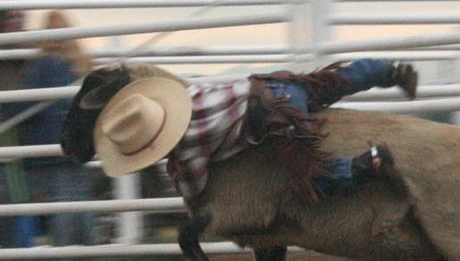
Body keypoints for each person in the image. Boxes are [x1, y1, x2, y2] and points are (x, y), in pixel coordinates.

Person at [62, 59, 418, 205]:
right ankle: (387, 71)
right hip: (268, 87)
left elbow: (195, 189)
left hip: (273, 119)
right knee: (328, 83)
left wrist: (176, 175)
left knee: (317, 178)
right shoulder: (185, 97)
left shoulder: (186, 147)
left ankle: (370, 163)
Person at [6, 10, 96, 261]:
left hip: (46, 146)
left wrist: (6, 108)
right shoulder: (83, 64)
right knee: (77, 199)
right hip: (79, 143)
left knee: (59, 203)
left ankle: (62, 257)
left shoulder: (44, 64)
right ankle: (87, 251)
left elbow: (27, 104)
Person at [0, 0, 32, 252]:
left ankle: (19, 248)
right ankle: (19, 249)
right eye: (13, 16)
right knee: (14, 189)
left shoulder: (25, 48)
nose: (19, 21)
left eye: (21, 15)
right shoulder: (11, 48)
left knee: (15, 189)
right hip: (7, 124)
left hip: (16, 124)